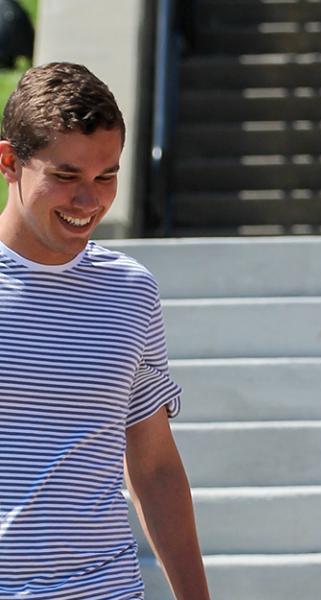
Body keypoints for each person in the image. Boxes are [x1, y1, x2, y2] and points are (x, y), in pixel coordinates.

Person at [0, 62, 209, 599]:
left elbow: (155, 464)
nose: (89, 202)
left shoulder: (131, 291)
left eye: (107, 176)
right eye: (66, 177)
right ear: (9, 162)